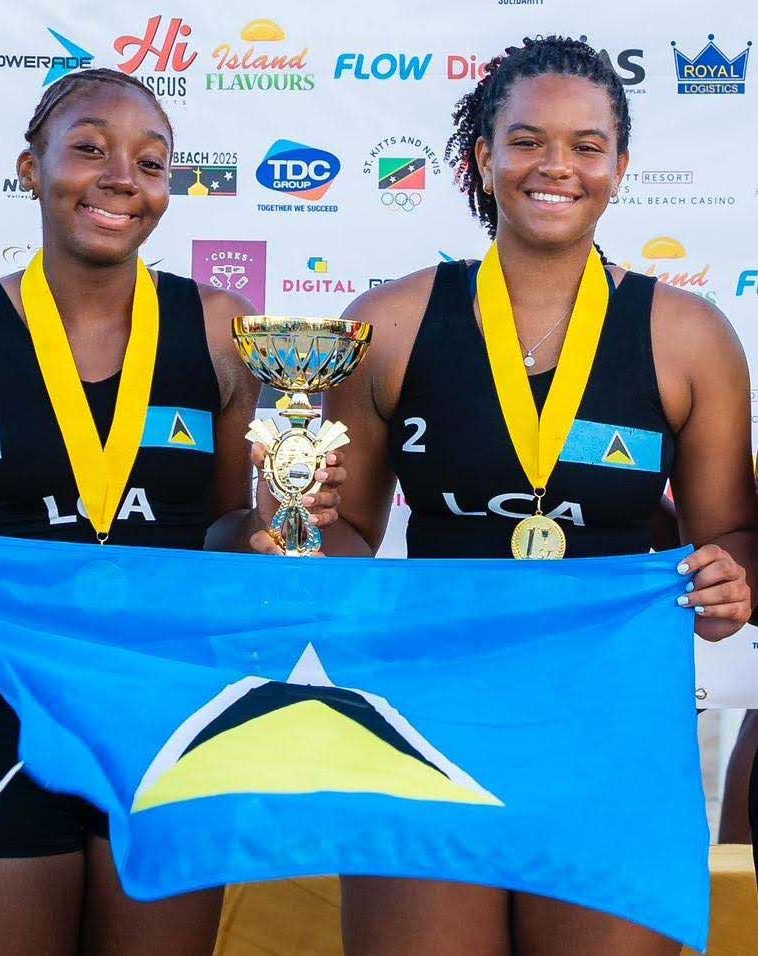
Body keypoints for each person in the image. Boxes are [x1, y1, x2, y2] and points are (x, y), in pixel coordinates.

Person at [0, 68, 343, 956]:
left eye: (150, 162)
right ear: (31, 168)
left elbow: (221, 530)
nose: (122, 178)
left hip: (169, 709)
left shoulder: (221, 329)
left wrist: (266, 532)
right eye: (89, 149)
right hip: (12, 709)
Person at [310, 35, 757, 956]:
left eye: (587, 146)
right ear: (483, 157)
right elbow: (345, 531)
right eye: (526, 141)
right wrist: (298, 540)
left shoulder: (688, 336)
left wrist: (729, 581)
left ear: (620, 168)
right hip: (422, 718)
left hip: (611, 727)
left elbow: (734, 539)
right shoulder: (386, 325)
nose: (557, 166)